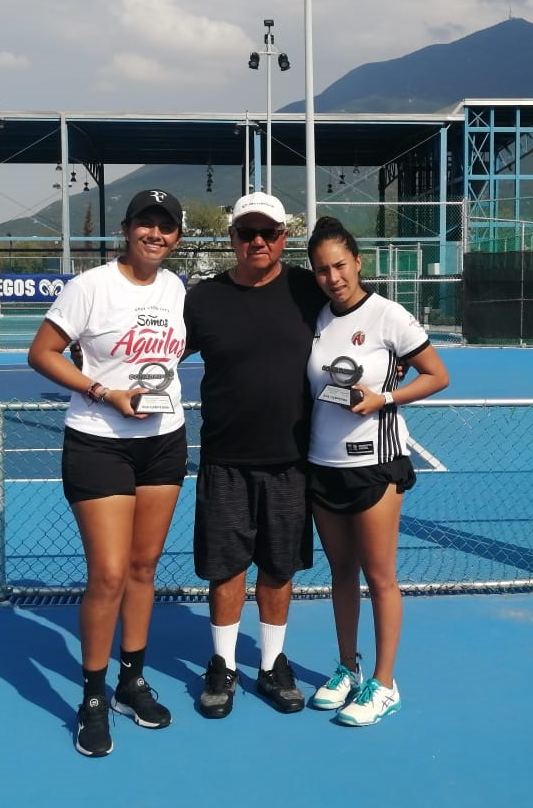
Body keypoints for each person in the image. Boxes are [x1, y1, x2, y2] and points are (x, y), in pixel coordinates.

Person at [27, 188, 188, 758]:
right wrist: (102, 390)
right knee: (110, 574)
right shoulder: (90, 287)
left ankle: (130, 682)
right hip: (99, 443)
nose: (155, 234)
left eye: (166, 226)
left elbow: (173, 354)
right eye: (146, 223)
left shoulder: (176, 289)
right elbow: (42, 353)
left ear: (176, 236)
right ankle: (92, 697)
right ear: (125, 228)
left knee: (143, 568)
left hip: (164, 441)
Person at [182, 191, 325, 718]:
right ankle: (222, 665)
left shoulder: (309, 289)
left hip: (292, 461)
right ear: (232, 238)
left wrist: (395, 359)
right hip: (224, 460)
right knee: (226, 569)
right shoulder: (203, 298)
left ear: (284, 238)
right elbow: (154, 350)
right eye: (247, 233)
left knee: (279, 567)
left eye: (268, 233)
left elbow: (364, 319)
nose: (257, 241)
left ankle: (270, 664)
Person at [303, 216, 449, 727]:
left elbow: (437, 375)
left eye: (340, 265)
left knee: (380, 576)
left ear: (358, 262)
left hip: (376, 465)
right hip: (323, 465)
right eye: (322, 270)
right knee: (341, 574)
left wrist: (385, 398)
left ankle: (385, 685)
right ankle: (348, 668)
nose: (333, 277)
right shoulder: (317, 317)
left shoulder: (389, 315)